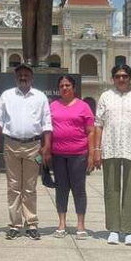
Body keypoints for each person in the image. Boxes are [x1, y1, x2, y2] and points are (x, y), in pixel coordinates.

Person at [0, 63, 52, 240]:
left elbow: (47, 123)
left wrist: (47, 146)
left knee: (30, 187)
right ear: (15, 78)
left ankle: (31, 223)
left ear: (32, 78)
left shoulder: (40, 97)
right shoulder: (7, 95)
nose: (23, 78)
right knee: (13, 187)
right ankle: (15, 225)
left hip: (33, 146)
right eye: (20, 75)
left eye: (26, 75)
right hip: (11, 144)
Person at [93, 65, 131, 246]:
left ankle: (130, 229)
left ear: (130, 78)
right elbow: (98, 124)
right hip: (111, 146)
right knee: (111, 188)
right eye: (117, 76)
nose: (121, 79)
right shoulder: (106, 96)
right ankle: (114, 229)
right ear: (113, 78)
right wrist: (96, 150)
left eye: (125, 76)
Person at [49, 75, 95, 239]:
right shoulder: (53, 106)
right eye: (62, 86)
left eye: (67, 85)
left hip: (78, 154)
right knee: (61, 189)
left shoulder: (83, 106)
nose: (64, 88)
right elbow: (47, 129)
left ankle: (80, 224)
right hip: (58, 154)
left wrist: (91, 154)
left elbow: (91, 132)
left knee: (79, 189)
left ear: (74, 88)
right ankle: (61, 223)